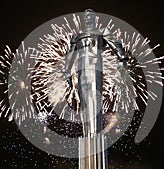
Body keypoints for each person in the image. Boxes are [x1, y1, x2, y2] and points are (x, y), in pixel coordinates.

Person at [63, 9, 128, 169]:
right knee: (85, 104)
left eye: (91, 17)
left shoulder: (102, 32)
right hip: (81, 71)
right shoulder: (77, 36)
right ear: (84, 19)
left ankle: (95, 136)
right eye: (86, 17)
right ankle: (88, 136)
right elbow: (70, 56)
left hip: (95, 69)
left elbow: (116, 45)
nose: (88, 19)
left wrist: (122, 59)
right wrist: (66, 73)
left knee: (95, 101)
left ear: (95, 18)